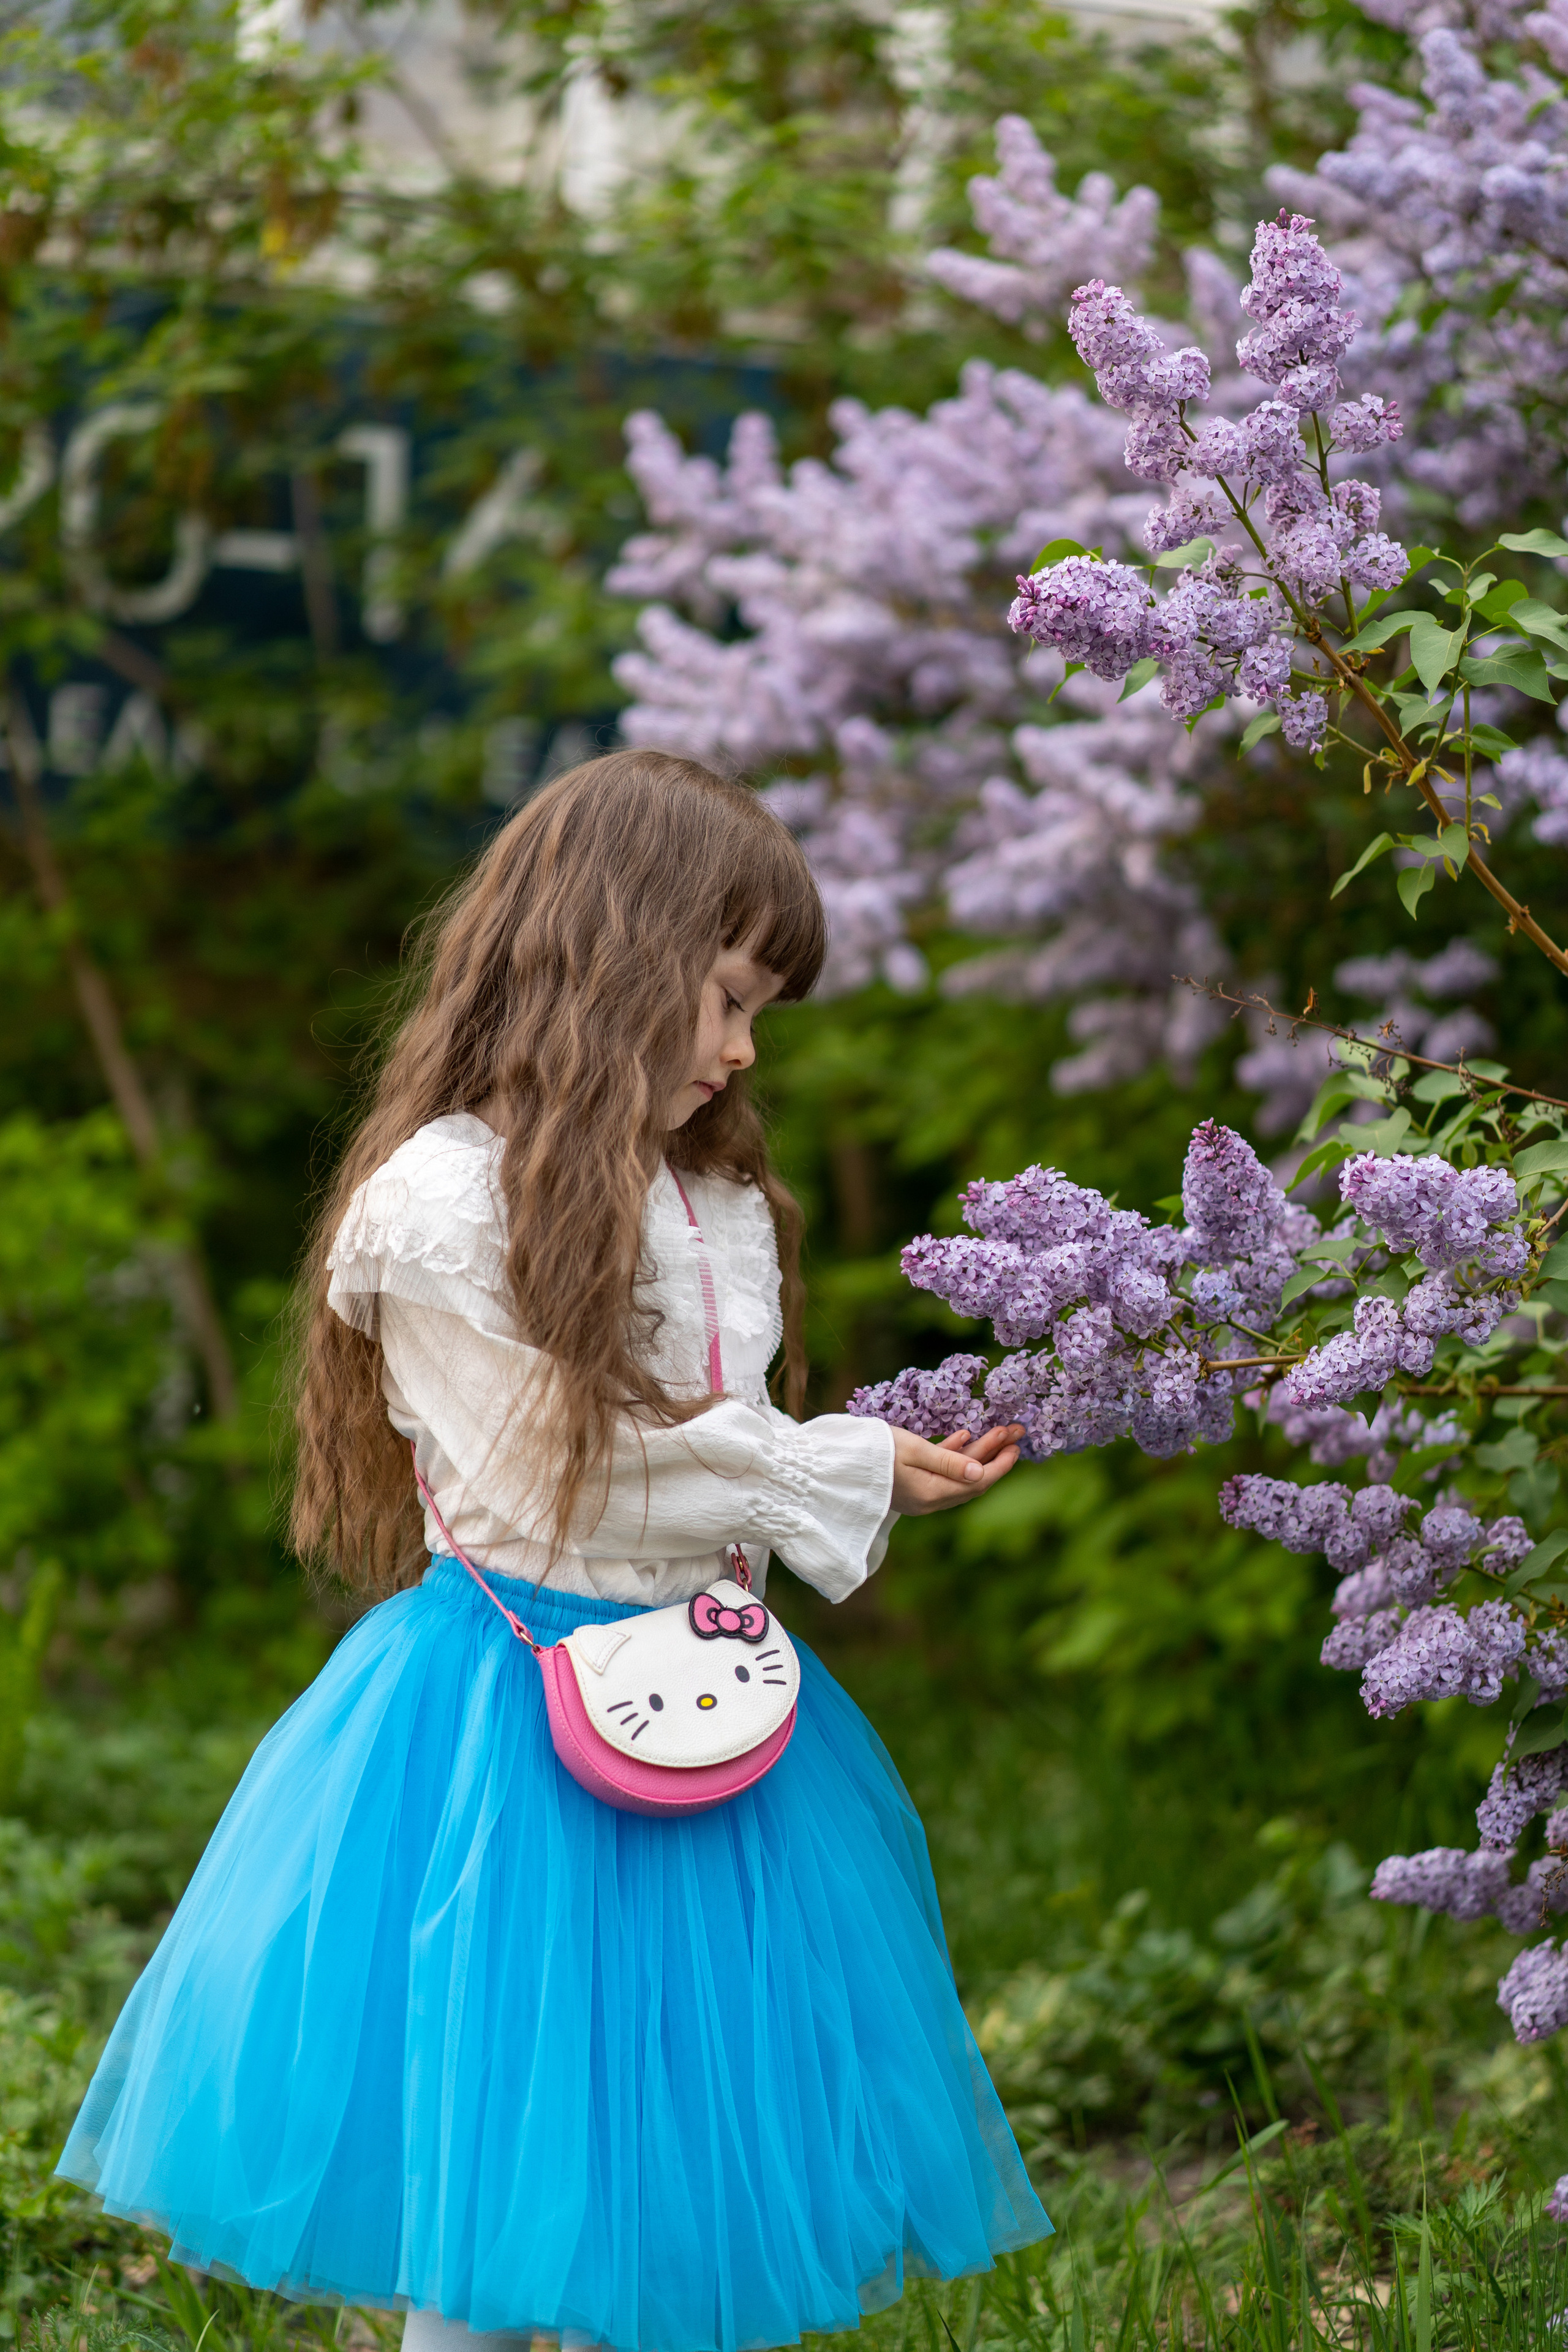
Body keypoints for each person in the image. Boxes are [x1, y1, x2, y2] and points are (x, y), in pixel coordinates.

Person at [58, 751, 1050, 2352]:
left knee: (673, 2180)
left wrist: (823, 1478)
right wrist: (841, 1464)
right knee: (488, 2168)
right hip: (503, 1729)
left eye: (759, 1018)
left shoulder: (709, 1197)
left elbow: (708, 1470)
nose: (738, 1053)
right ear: (614, 960)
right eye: (726, 999)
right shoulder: (442, 1204)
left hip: (707, 1713)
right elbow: (566, 1474)